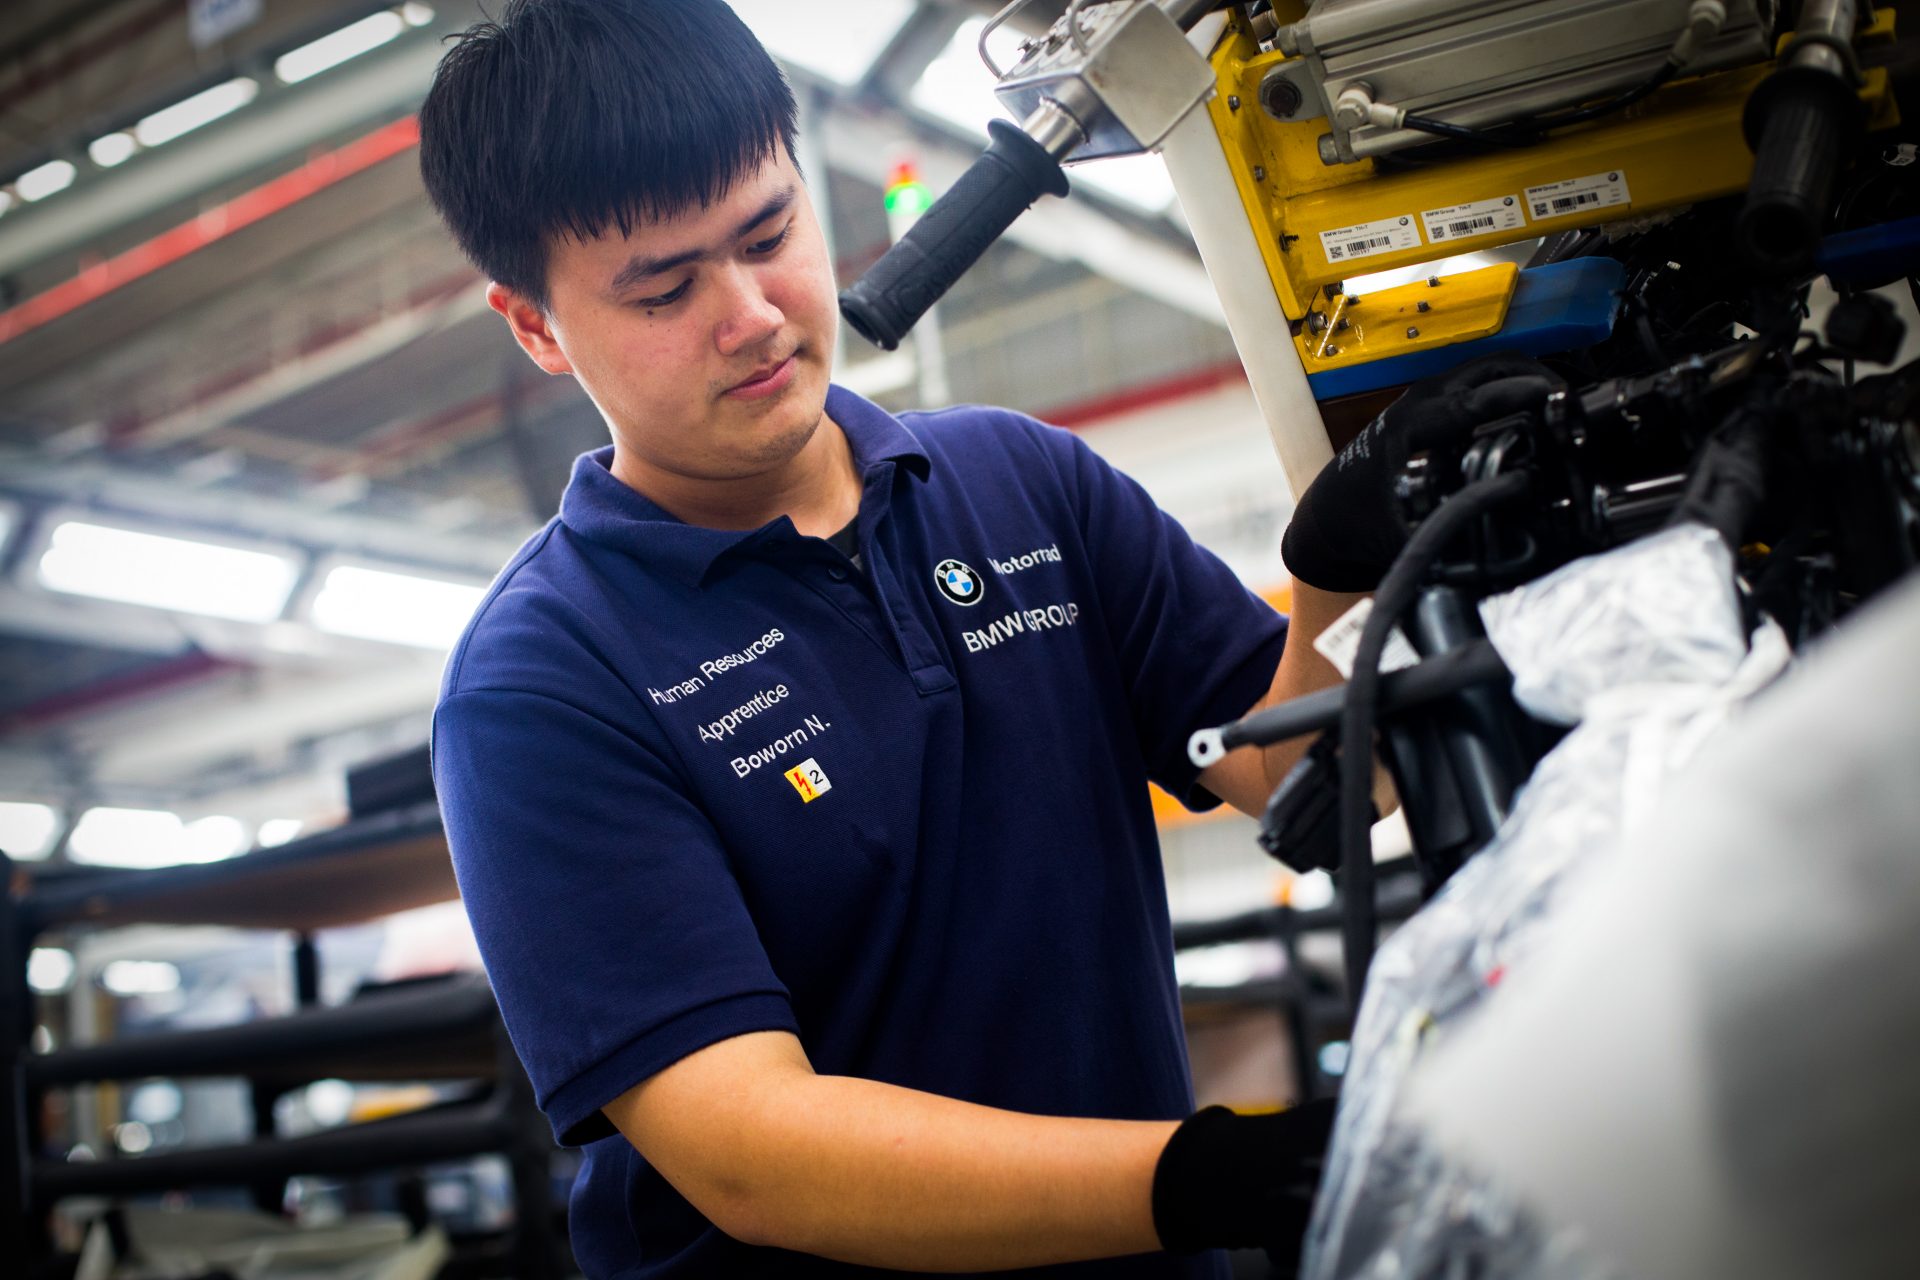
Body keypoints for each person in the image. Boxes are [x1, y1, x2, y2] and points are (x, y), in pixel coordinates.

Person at [421, 1, 1368, 1275]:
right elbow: (752, 1141)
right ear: (536, 324)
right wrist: (1200, 1174)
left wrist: (1344, 560)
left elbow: (1308, 779)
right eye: (665, 286)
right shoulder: (541, 684)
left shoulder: (1025, 484)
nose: (751, 312)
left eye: (770, 232)